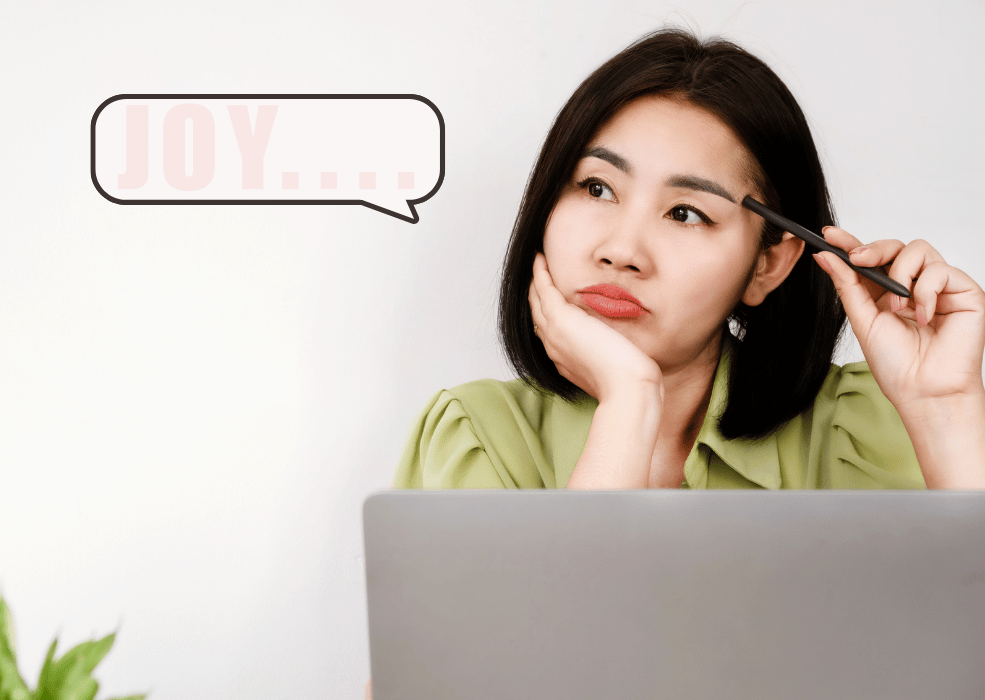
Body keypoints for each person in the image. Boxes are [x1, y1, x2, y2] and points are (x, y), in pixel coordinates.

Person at [391, 27, 985, 494]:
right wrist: (628, 406)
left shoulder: (870, 428)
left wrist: (945, 411)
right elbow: (545, 649)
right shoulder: (478, 437)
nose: (621, 251)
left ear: (767, 265)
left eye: (685, 213)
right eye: (596, 187)